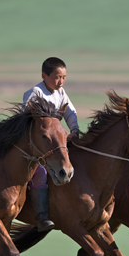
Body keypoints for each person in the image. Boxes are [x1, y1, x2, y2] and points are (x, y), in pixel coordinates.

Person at [22, 57, 80, 232]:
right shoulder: (34, 93)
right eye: (56, 77)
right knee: (39, 172)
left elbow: (70, 112)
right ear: (44, 75)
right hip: (36, 146)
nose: (60, 81)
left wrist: (75, 130)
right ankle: (41, 215)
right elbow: (25, 122)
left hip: (54, 143)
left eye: (63, 77)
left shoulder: (61, 93)